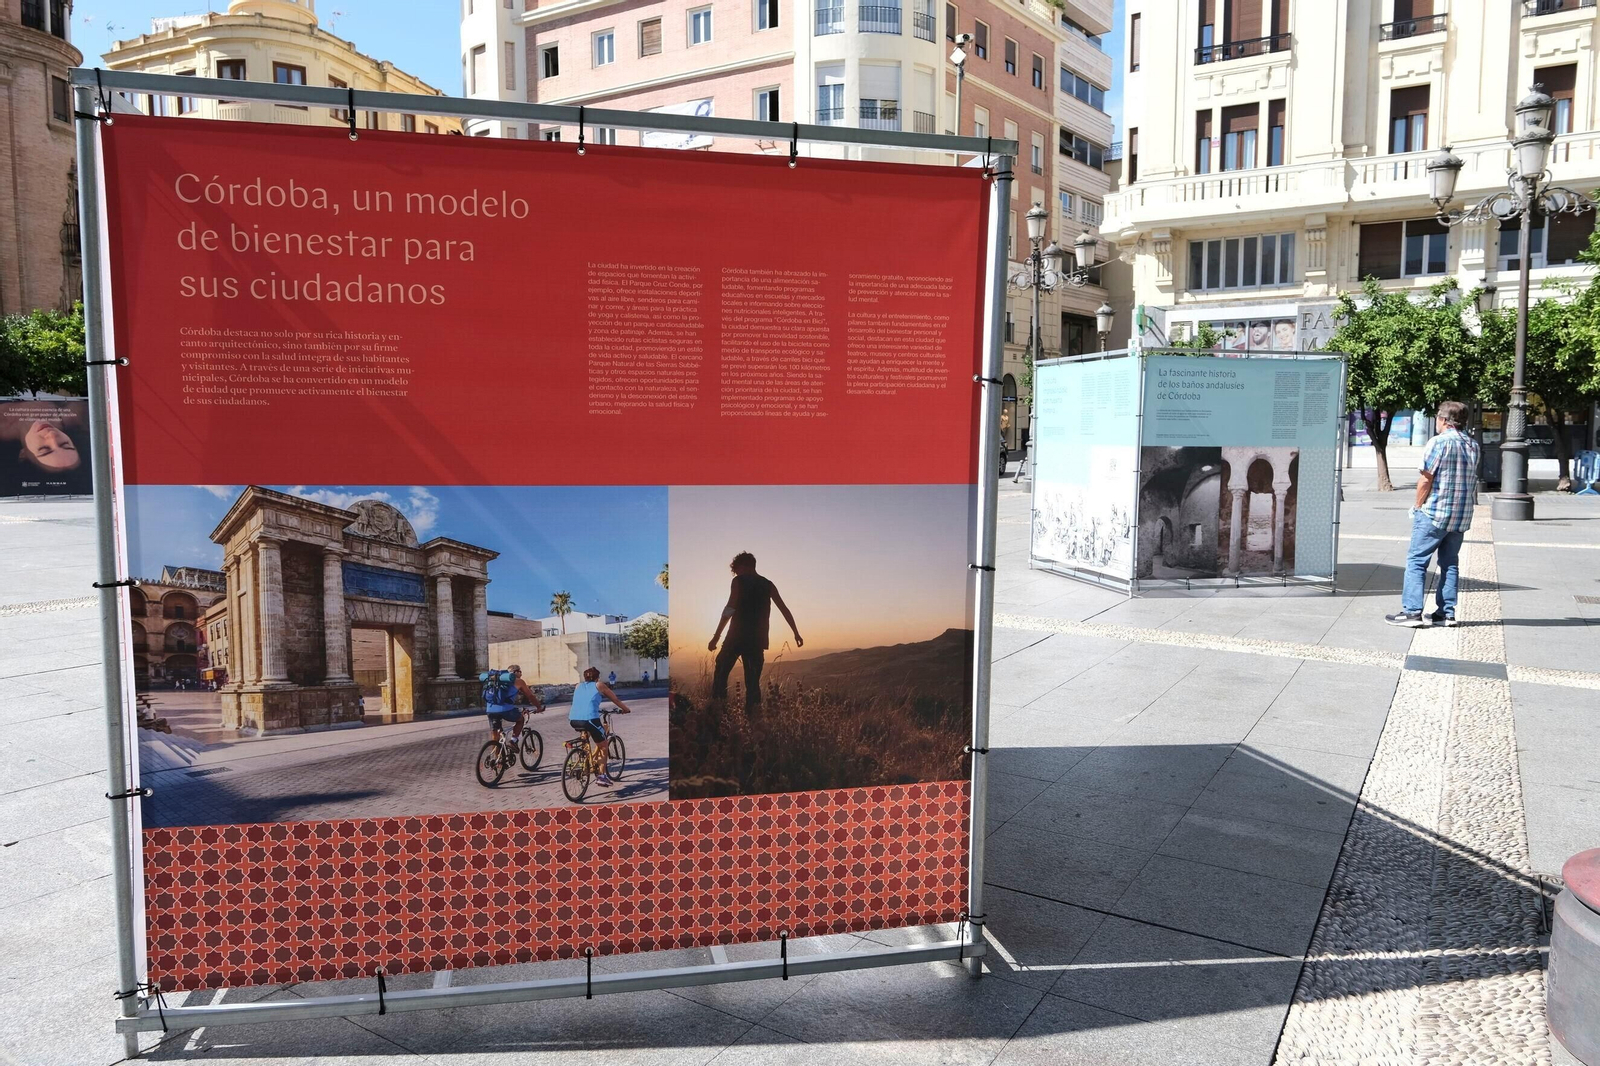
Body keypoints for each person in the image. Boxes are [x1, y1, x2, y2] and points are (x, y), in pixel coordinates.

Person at [1387, 400, 1481, 628]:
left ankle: (1412, 613)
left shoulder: (1438, 443)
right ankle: (1446, 614)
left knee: (1417, 561)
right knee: (1450, 563)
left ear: (1444, 420)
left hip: (1435, 513)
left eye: (1438, 418)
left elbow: (1426, 479)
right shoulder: (1473, 445)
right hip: (1460, 516)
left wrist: (1418, 506)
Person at [708, 551, 802, 712]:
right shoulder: (768, 584)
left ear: (743, 566)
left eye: (736, 569)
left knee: (721, 672)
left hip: (735, 637)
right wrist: (796, 632)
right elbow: (784, 609)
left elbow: (730, 608)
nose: (736, 573)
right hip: (757, 640)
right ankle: (754, 720)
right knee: (752, 683)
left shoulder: (738, 581)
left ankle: (718, 712)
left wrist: (716, 637)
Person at [570, 666, 631, 786]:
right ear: (597, 677)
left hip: (573, 719)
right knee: (603, 746)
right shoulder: (599, 685)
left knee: (586, 738)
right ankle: (602, 776)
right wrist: (626, 709)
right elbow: (615, 699)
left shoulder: (578, 685)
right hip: (590, 720)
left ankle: (585, 761)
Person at [481, 664, 544, 745]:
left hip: (490, 709)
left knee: (495, 735)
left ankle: (495, 756)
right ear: (515, 672)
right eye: (520, 671)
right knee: (520, 719)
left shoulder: (495, 680)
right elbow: (530, 696)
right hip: (505, 710)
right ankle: (513, 741)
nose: (521, 674)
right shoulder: (519, 681)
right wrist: (538, 707)